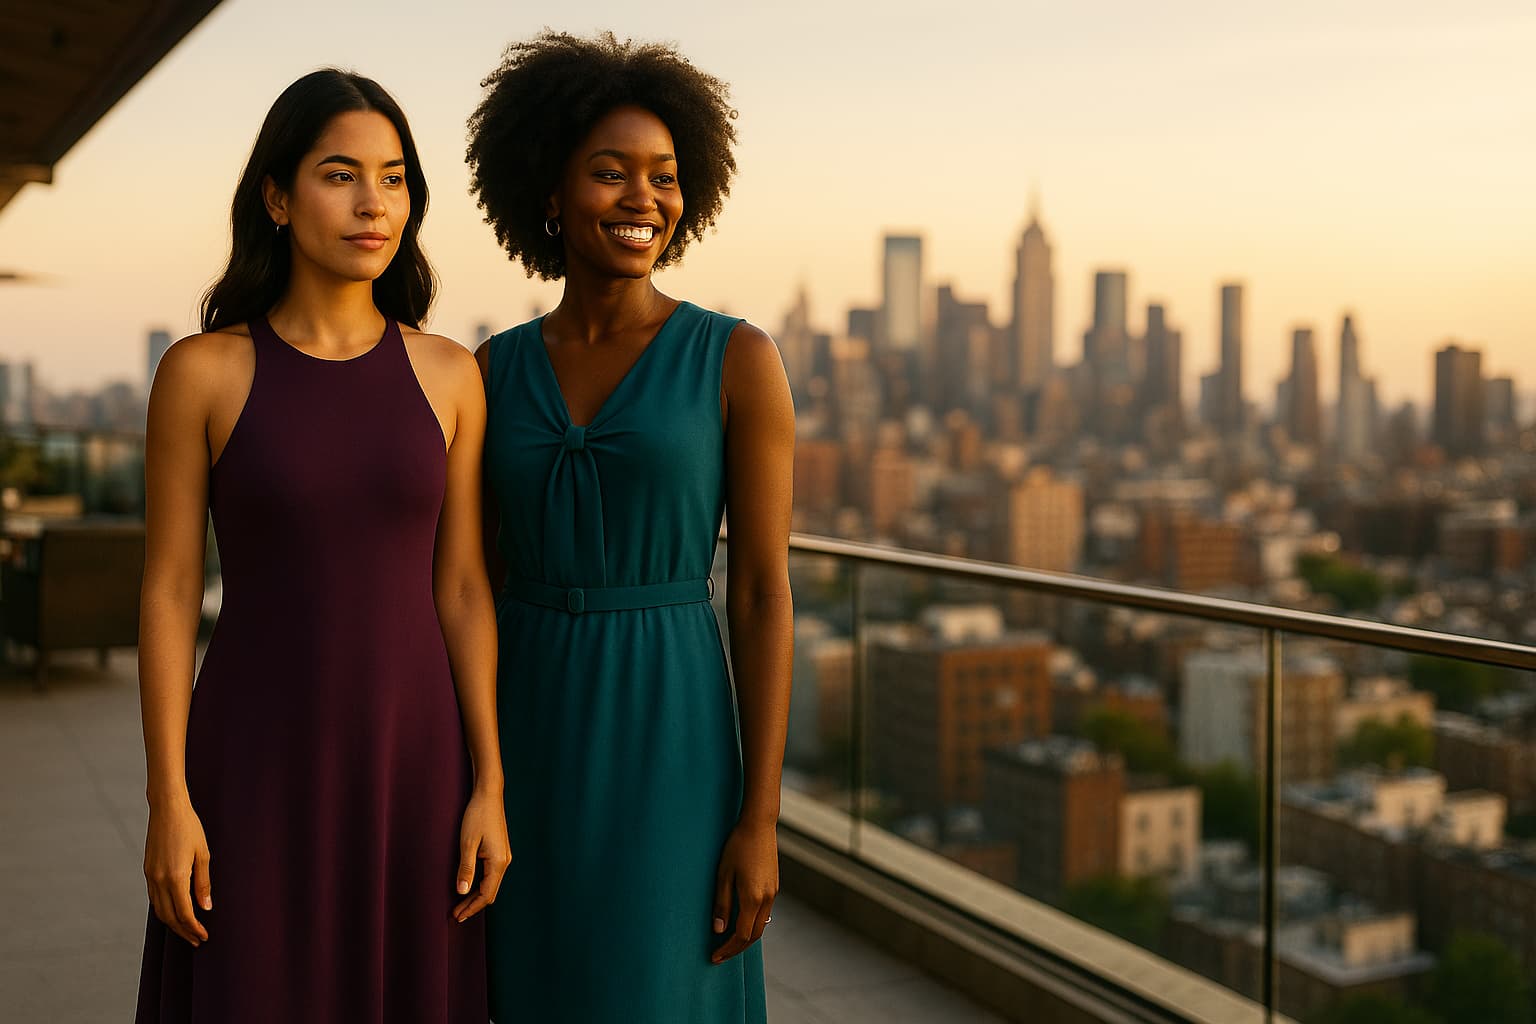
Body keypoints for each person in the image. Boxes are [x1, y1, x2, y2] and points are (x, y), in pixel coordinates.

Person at [135, 69, 508, 1023]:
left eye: (393, 178)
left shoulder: (451, 374)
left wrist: (490, 781)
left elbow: (463, 587)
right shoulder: (203, 372)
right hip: (252, 756)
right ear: (276, 195)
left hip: (414, 760)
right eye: (340, 174)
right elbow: (172, 591)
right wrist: (168, 799)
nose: (372, 203)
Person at [466, 31, 795, 1023]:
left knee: (658, 987)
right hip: (526, 720)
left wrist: (762, 818)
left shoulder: (736, 358)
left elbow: (764, 590)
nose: (642, 197)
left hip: (675, 727)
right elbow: (468, 582)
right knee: (530, 982)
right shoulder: (491, 370)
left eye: (664, 175)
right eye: (610, 173)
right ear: (551, 194)